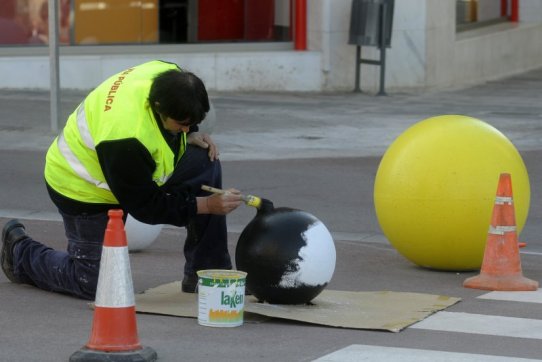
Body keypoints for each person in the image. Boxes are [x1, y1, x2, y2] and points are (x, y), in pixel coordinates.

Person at [1, 60, 243, 300]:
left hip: (127, 170)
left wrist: (191, 133)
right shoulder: (125, 138)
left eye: (190, 123)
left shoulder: (171, 76)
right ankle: (19, 253)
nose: (185, 129)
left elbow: (183, 118)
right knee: (94, 283)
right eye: (181, 124)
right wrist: (207, 205)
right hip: (81, 187)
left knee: (203, 160)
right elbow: (147, 206)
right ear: (159, 106)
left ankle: (207, 273)